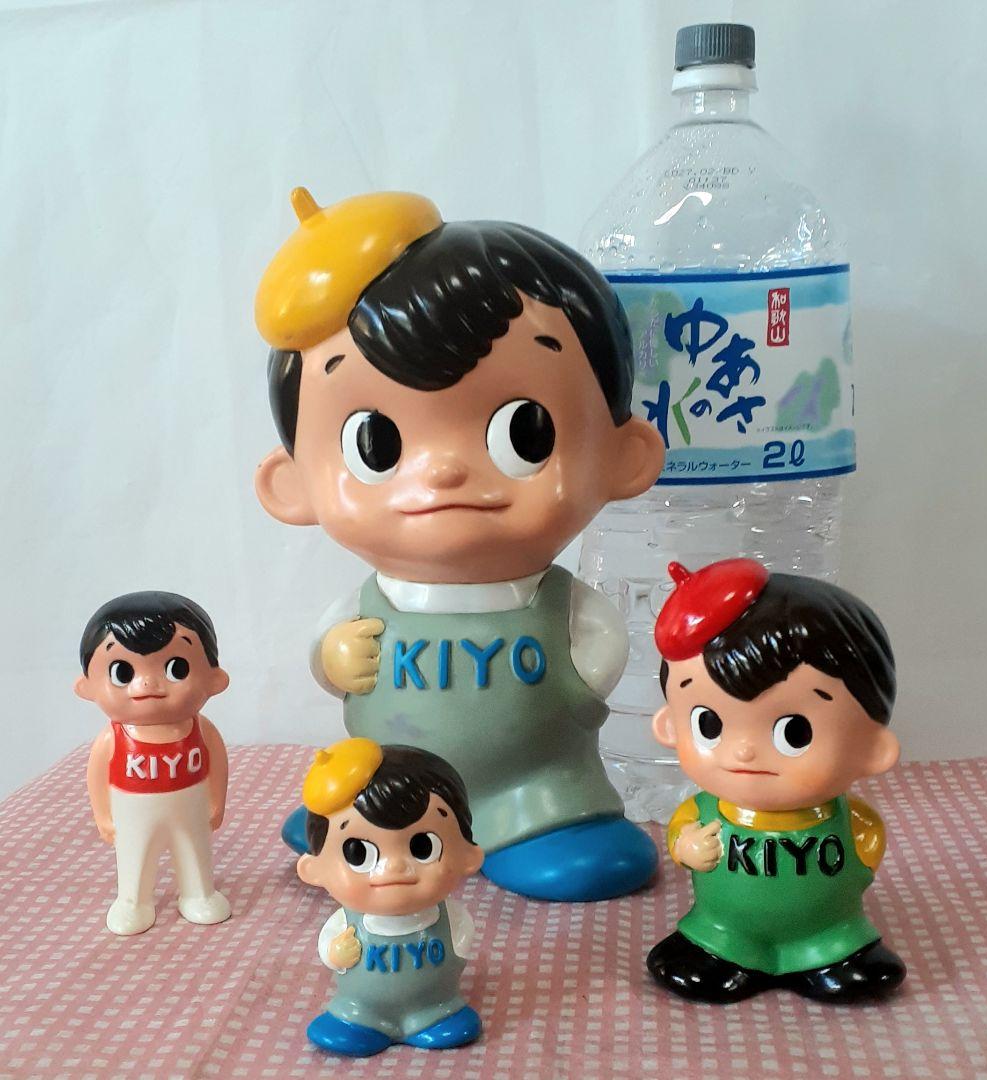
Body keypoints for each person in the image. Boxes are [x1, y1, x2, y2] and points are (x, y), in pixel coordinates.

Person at [253, 188, 665, 900]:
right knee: (372, 798)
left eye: (522, 432)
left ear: (623, 457)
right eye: (377, 444)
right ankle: (358, 823)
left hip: (536, 790)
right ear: (292, 485)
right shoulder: (366, 606)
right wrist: (333, 657)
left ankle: (544, 830)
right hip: (390, 793)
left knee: (575, 845)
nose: (443, 470)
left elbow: (598, 664)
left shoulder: (567, 608)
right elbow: (328, 660)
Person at [648, 559, 906, 1003]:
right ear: (670, 725)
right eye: (709, 724)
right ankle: (724, 951)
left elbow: (863, 861)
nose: (744, 751)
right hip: (723, 928)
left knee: (842, 953)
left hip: (829, 930)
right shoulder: (702, 811)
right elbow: (680, 839)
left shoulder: (856, 822)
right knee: (707, 953)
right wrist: (686, 846)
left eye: (794, 733)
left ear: (871, 748)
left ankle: (829, 953)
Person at [297, 738, 483, 1057]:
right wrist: (335, 953)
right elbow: (329, 951)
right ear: (315, 869)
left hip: (436, 1004)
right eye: (358, 853)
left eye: (422, 847)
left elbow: (463, 938)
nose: (394, 866)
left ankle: (435, 1016)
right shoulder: (345, 922)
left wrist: (461, 944)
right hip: (360, 1007)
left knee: (445, 1018)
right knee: (353, 1021)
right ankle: (359, 1023)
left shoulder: (449, 916)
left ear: (467, 856)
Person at [76, 591, 231, 935]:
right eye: (122, 672)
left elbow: (217, 762)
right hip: (133, 812)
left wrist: (216, 801)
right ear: (88, 686)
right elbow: (97, 775)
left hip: (190, 808)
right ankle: (133, 901)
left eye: (177, 668)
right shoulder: (114, 737)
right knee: (134, 856)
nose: (147, 682)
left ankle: (199, 893)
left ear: (214, 679)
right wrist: (103, 816)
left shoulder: (201, 729)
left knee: (195, 851)